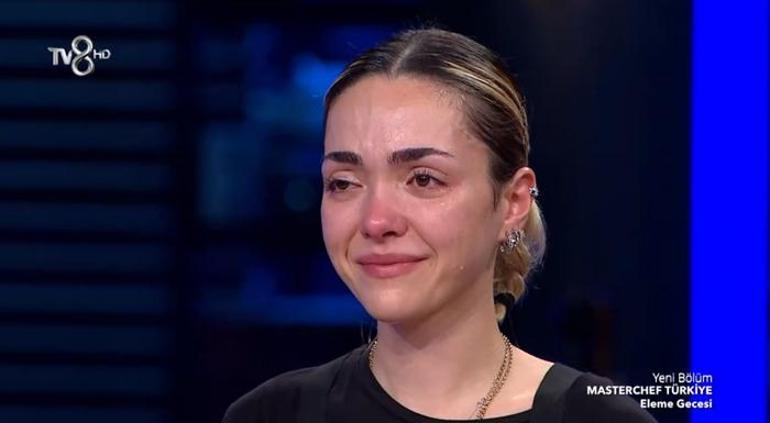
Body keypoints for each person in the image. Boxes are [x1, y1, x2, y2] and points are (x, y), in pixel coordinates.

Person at [222, 28, 657, 423]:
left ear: (512, 203)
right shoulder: (270, 415)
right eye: (344, 183)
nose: (375, 221)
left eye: (423, 179)